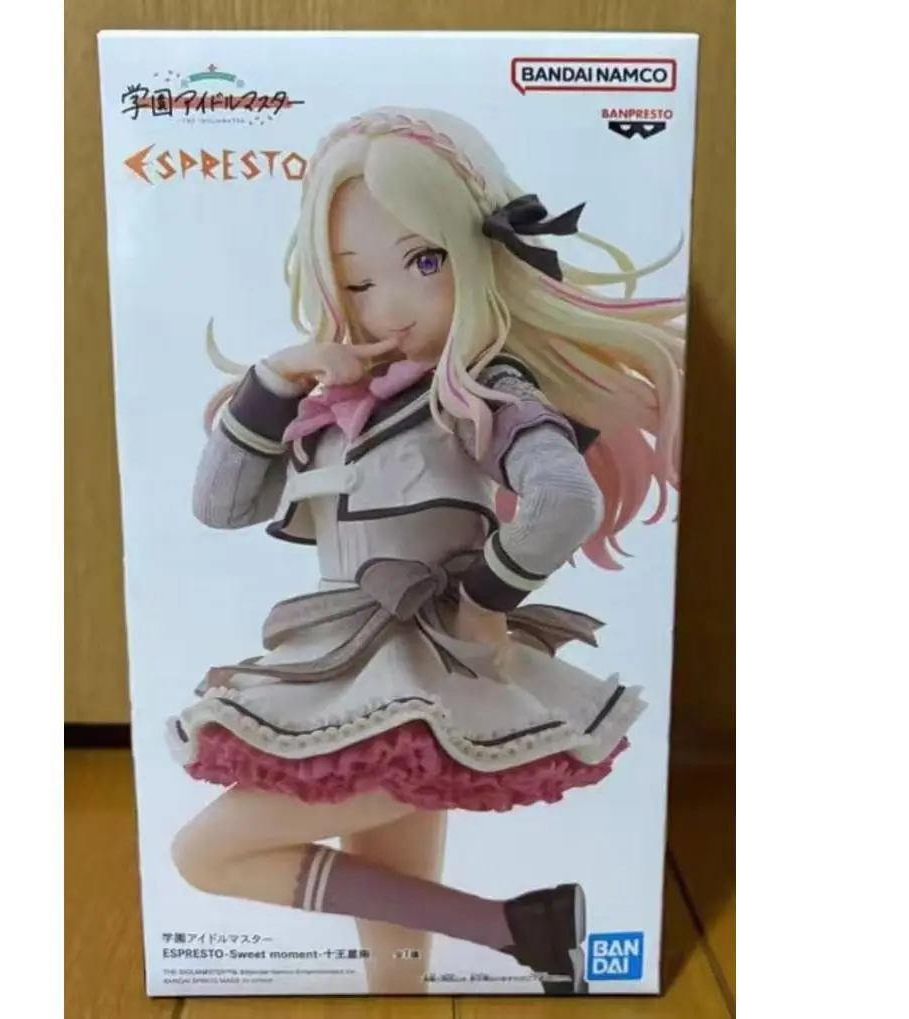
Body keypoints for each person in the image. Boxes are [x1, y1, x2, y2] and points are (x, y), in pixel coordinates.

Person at [166, 106, 686, 995]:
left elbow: (564, 498)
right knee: (393, 948)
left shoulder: (486, 390)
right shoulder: (336, 398)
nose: (392, 305)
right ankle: (505, 937)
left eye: (425, 262)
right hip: (340, 658)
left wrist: (484, 600)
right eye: (358, 281)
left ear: (481, 254)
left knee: (204, 853)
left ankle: (508, 927)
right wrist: (274, 380)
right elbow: (219, 506)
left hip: (432, 663)